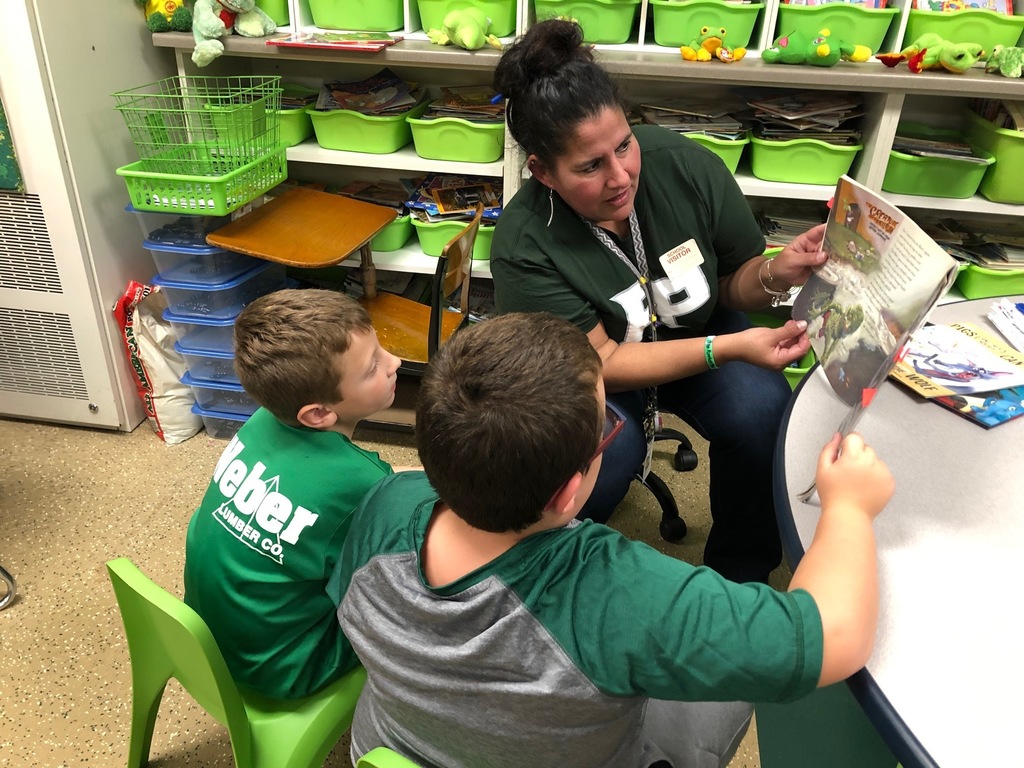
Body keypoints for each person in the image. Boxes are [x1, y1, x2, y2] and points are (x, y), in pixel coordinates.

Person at [328, 311, 894, 768]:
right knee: (733, 686)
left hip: (394, 747)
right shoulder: (616, 588)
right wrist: (848, 507)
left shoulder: (385, 501)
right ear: (568, 492)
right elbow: (834, 639)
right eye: (607, 426)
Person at [489, 20, 829, 584]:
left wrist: (775, 270)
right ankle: (550, 580)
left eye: (624, 145)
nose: (620, 176)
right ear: (543, 172)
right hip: (600, 375)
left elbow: (731, 282)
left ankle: (740, 578)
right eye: (590, 166)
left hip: (701, 332)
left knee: (763, 411)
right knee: (595, 456)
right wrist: (730, 347)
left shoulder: (687, 168)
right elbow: (599, 364)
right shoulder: (525, 242)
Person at [183, 288, 401, 699]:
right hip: (284, 669)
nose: (395, 363)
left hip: (205, 641)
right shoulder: (360, 480)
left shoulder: (261, 420)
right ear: (319, 414)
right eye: (372, 367)